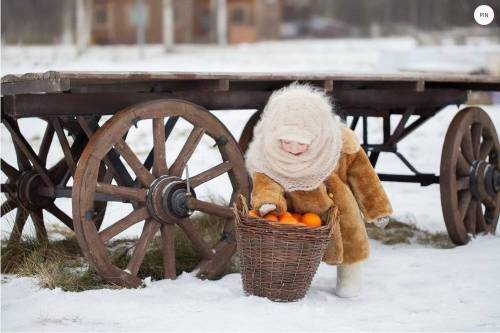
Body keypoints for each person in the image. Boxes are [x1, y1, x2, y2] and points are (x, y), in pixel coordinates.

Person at [245, 83, 392, 298]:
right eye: (287, 142)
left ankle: (349, 276)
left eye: (301, 143)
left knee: (350, 242)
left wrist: (377, 209)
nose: (293, 149)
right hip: (297, 215)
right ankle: (291, 277)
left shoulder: (340, 144)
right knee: (293, 246)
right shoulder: (268, 152)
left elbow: (364, 178)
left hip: (339, 209)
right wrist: (269, 201)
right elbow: (266, 181)